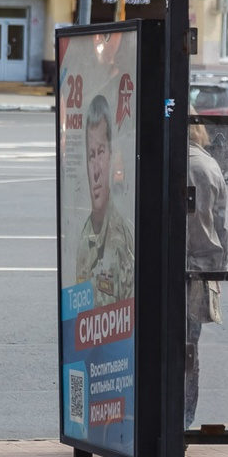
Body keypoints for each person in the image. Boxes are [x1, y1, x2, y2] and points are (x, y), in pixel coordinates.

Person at [71, 90, 136, 305]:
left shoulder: (119, 239)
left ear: (111, 155)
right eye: (91, 156)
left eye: (101, 153)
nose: (96, 169)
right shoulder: (85, 237)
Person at [183, 121, 228, 425]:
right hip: (198, 273)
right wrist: (220, 273)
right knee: (188, 352)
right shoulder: (209, 166)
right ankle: (182, 422)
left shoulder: (162, 162)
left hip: (162, 269)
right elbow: (221, 229)